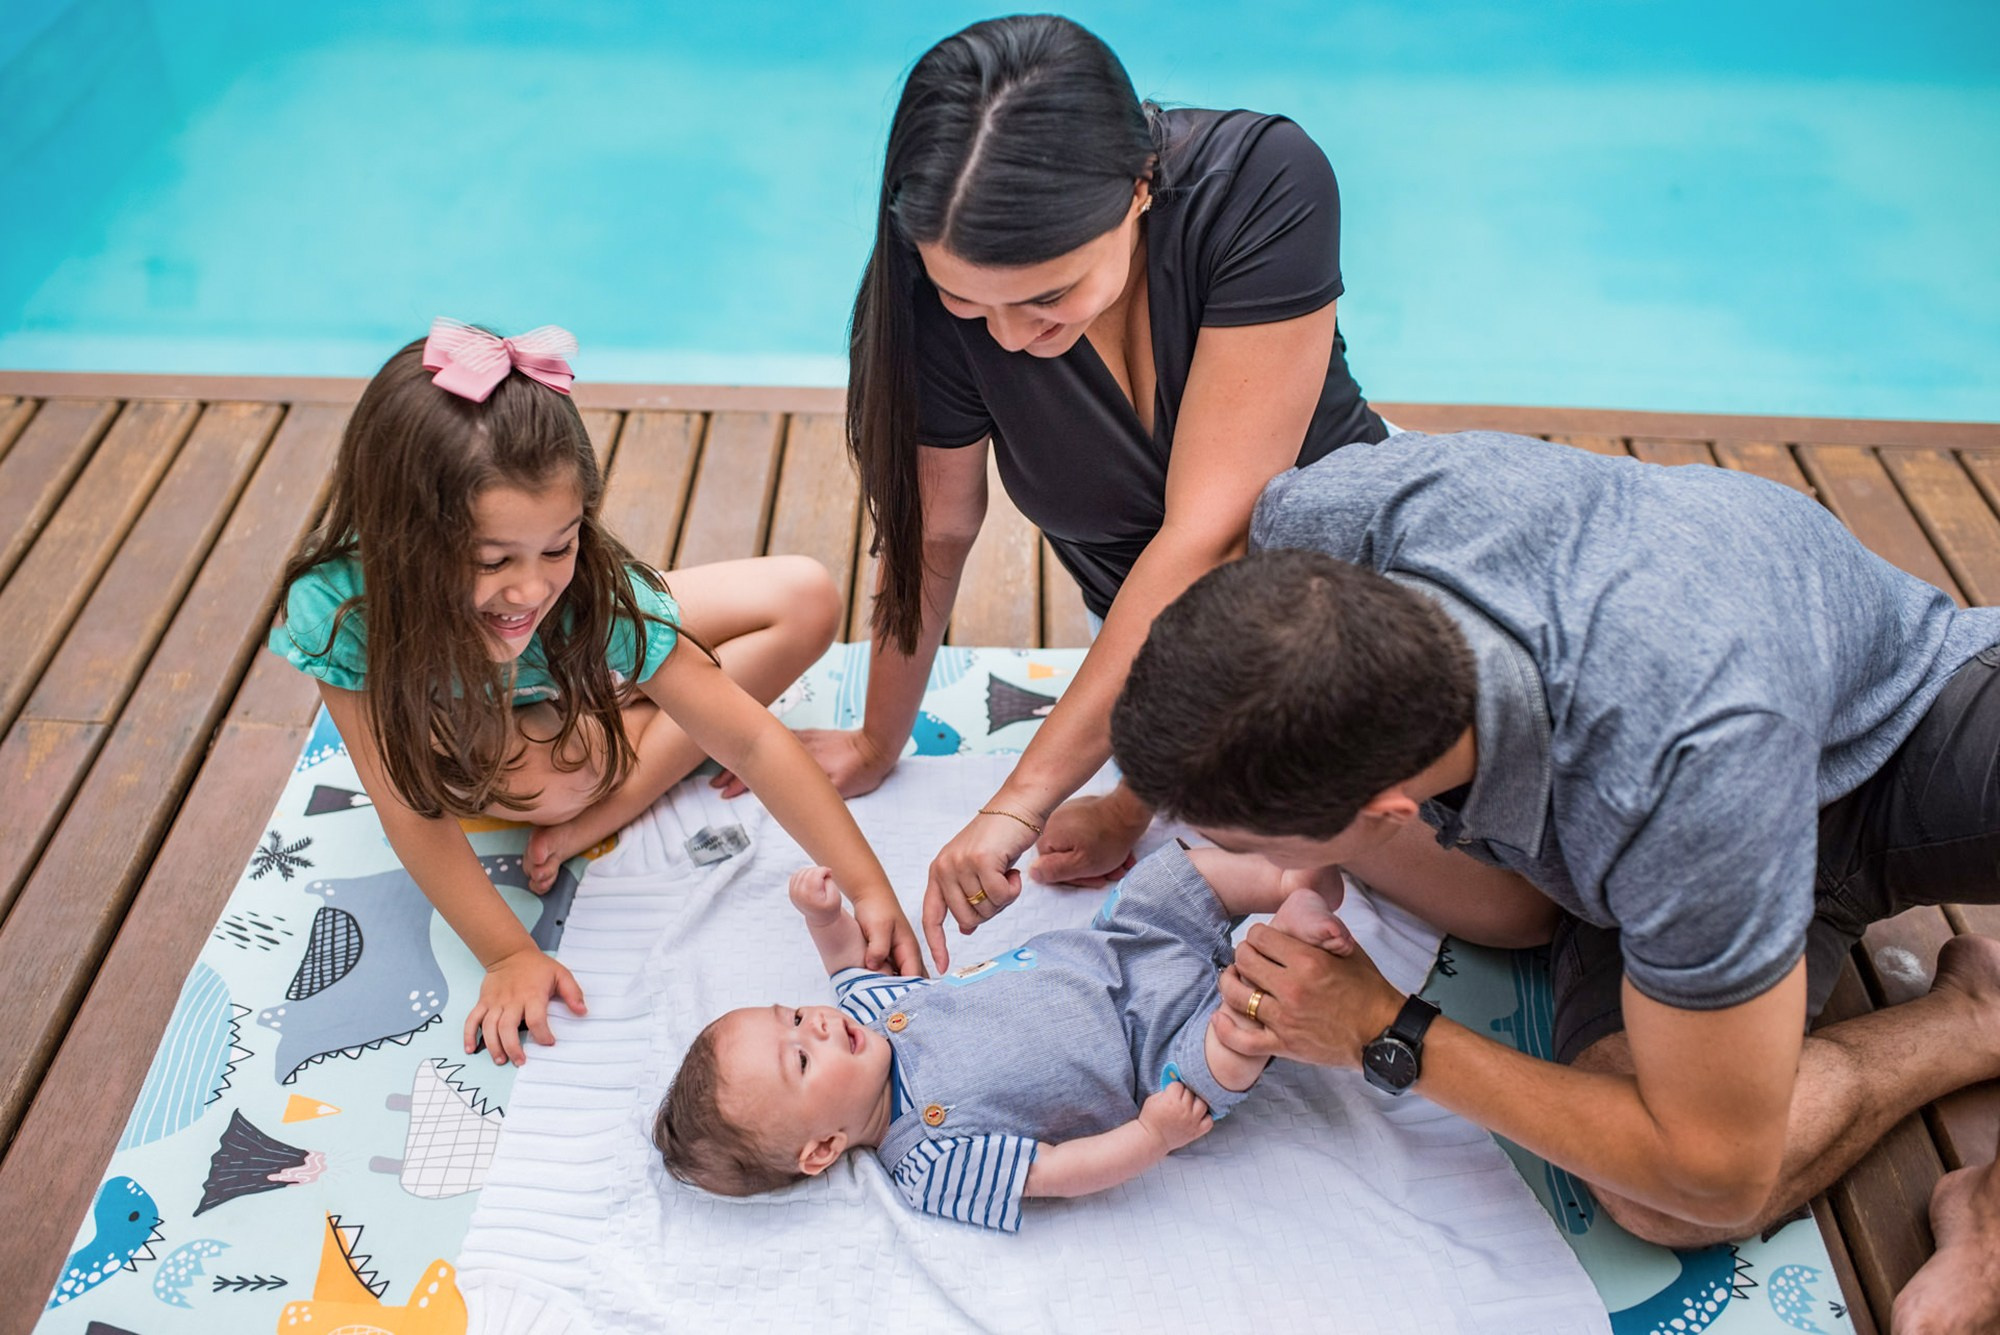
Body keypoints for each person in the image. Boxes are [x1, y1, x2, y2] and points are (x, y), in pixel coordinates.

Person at [1107, 430, 2000, 1316]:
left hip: (1897, 717)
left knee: (1692, 1178)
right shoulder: (1318, 518)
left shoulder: (1676, 780)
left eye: (1261, 845)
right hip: (1684, 803)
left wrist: (1383, 1028)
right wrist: (1102, 802)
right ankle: (1973, 1018)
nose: (1256, 866)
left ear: (1388, 808)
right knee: (1645, 1194)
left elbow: (1718, 1174)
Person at [793, 14, 1445, 969]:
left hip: (1357, 584)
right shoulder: (934, 298)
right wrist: (877, 739)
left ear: (1140, 186)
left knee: (1505, 900)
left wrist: (1025, 801)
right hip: (1192, 672)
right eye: (970, 302)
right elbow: (936, 534)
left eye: (1047, 296)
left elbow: (1215, 535)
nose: (1006, 337)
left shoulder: (1263, 180)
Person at [269, 320, 922, 1066]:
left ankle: (637, 722)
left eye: (560, 542)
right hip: (485, 716)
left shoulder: (579, 592)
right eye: (493, 560)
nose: (530, 587)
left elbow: (749, 739)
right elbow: (407, 807)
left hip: (566, 660)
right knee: (558, 777)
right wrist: (509, 953)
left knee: (805, 597)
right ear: (402, 542)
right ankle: (621, 757)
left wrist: (869, 888)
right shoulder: (344, 612)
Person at [653, 844, 1352, 1230]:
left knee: (1173, 880)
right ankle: (1290, 946)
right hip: (1155, 1055)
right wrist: (1151, 1136)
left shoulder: (872, 1011)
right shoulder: (928, 1164)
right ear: (823, 1147)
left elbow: (842, 964)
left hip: (1116, 948)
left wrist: (822, 914)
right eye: (802, 1057)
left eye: (791, 1014)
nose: (818, 1023)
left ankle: (1285, 880)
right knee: (1229, 1049)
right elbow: (1055, 1171)